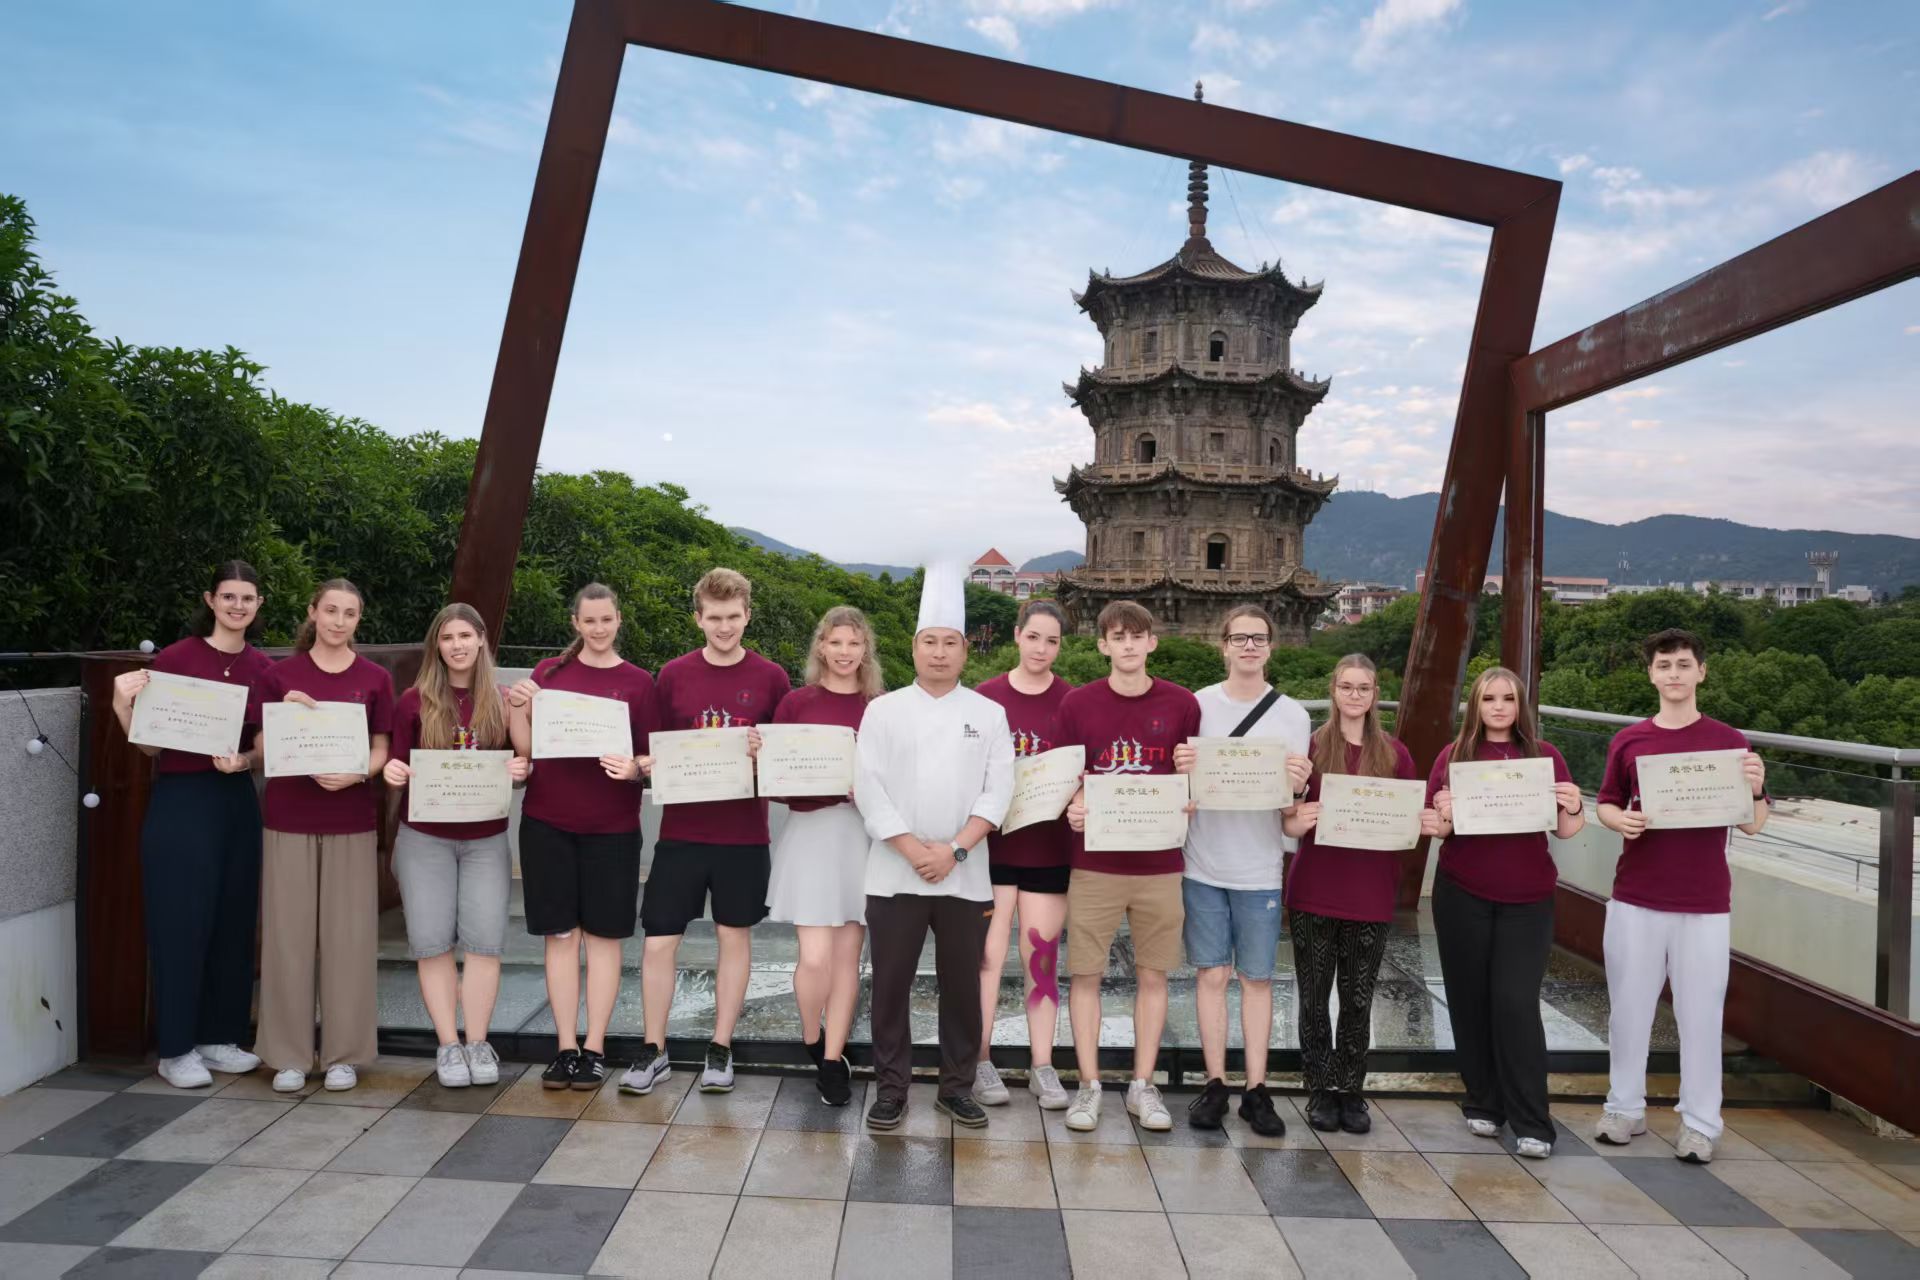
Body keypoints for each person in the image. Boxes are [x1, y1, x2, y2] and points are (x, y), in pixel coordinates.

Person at [1592, 628, 1768, 1164]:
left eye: (1683, 664)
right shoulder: (1629, 741)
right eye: (1664, 665)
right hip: (1636, 895)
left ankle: (1700, 1123)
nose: (1674, 674)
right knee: (1629, 1010)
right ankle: (1624, 1107)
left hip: (1705, 901)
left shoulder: (1730, 741)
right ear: (1651, 674)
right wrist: (1619, 820)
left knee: (1701, 1015)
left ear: (1701, 672)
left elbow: (1754, 823)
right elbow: (1606, 803)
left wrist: (1758, 787)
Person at [855, 563, 1013, 1131]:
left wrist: (954, 851)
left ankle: (956, 1088)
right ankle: (891, 1089)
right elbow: (867, 787)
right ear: (913, 647)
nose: (939, 653)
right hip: (893, 872)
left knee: (962, 988)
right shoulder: (882, 709)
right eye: (930, 642)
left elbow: (999, 792)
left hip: (964, 874)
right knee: (889, 986)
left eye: (950, 643)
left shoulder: (989, 714)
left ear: (966, 650)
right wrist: (912, 849)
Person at [109, 560, 275, 1089]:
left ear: (258, 604)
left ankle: (219, 1038)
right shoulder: (176, 659)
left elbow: (265, 744)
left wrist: (246, 761)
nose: (237, 606)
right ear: (211, 600)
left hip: (236, 800)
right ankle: (176, 1049)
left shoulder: (263, 668)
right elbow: (150, 746)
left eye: (247, 598)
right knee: (180, 922)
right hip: (182, 801)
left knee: (233, 919)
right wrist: (121, 706)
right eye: (228, 596)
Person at [634, 568, 790, 1095]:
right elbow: (651, 748)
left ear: (748, 615)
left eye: (733, 617)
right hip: (681, 832)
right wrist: (648, 763)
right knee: (660, 941)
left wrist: (764, 752)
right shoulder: (673, 674)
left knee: (734, 938)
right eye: (715, 617)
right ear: (698, 618)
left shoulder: (772, 677)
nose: (725, 627)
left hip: (743, 835)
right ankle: (652, 1048)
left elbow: (783, 757)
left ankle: (720, 1047)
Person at [1425, 665, 1585, 1158]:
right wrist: (1442, 813)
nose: (1499, 707)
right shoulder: (1454, 756)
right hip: (1462, 894)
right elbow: (1435, 828)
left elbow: (1566, 830)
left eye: (1508, 699)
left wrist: (1574, 804)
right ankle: (1484, 1102)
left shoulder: (1544, 756)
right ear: (1475, 705)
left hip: (1528, 899)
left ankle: (1532, 1120)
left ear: (1521, 706)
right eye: (1489, 698)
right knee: (1468, 1000)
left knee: (1516, 1003)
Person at [247, 578, 395, 1093]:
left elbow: (381, 749)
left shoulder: (375, 678)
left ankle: (344, 1055)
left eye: (349, 613)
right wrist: (289, 718)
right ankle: (287, 1054)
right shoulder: (278, 676)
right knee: (287, 938)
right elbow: (262, 746)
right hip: (288, 817)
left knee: (349, 939)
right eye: (330, 610)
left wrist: (357, 774)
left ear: (358, 620)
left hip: (351, 819)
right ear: (313, 612)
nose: (338, 621)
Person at [1060, 601, 1203, 1133]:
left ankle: (1144, 1084)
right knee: (1085, 975)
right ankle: (1089, 1085)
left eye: (1136, 636)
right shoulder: (1077, 704)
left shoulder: (1183, 704)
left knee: (1154, 973)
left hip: (1160, 863)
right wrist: (1073, 806)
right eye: (1117, 637)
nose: (1127, 645)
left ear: (1151, 643)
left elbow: (1192, 780)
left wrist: (1193, 793)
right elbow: (1067, 777)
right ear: (1102, 644)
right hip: (1094, 862)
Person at [1282, 654, 1439, 1134]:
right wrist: (1296, 812)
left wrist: (1424, 819)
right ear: (1333, 690)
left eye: (1363, 688)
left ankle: (1351, 1089)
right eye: (1346, 686)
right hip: (1314, 888)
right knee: (1313, 998)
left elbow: (1411, 819)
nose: (1354, 695)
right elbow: (1287, 819)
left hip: (1370, 891)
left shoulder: (1395, 754)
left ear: (1375, 695)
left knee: (1357, 997)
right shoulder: (1309, 747)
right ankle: (1318, 1088)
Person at [506, 584, 653, 1092]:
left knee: (604, 940)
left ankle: (594, 1048)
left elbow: (649, 756)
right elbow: (527, 751)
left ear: (618, 620)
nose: (598, 628)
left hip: (613, 828)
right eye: (589, 621)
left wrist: (635, 769)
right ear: (575, 623)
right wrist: (518, 708)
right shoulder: (548, 674)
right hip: (547, 823)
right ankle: (565, 1047)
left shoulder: (639, 682)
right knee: (561, 937)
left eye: (606, 619)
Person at [1171, 605, 1312, 1135]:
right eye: (1239, 638)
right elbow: (1179, 784)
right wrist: (1182, 770)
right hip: (1203, 861)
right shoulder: (1197, 705)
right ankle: (1215, 1083)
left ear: (1271, 646)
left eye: (1258, 638)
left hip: (1260, 865)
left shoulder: (1293, 716)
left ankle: (1257, 1088)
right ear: (1224, 646)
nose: (1249, 646)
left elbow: (1292, 804)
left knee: (1257, 979)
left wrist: (1299, 784)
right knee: (1211, 974)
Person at [383, 603, 530, 1089]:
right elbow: (396, 764)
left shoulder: (502, 700)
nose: (458, 645)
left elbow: (524, 762)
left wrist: (522, 769)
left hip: (485, 839)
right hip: (425, 838)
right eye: (448, 638)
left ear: (482, 639)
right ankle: (448, 1045)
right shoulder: (414, 701)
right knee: (432, 944)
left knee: (485, 944)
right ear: (437, 646)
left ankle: (478, 1042)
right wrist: (393, 771)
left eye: (466, 635)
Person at [764, 605, 882, 1106]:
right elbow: (775, 783)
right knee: (813, 958)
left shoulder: (881, 707)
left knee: (847, 960)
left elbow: (896, 777)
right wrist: (763, 755)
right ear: (821, 646)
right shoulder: (796, 702)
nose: (844, 652)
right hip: (811, 834)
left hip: (861, 836)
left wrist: (869, 791)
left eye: (853, 643)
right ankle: (812, 1036)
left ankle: (833, 1060)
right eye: (836, 642)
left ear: (865, 649)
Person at [971, 600, 1075, 1111]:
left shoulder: (1073, 702)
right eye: (1033, 637)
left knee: (1042, 959)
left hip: (1049, 849)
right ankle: (980, 1059)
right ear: (1017, 636)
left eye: (1052, 641)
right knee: (986, 959)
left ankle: (1042, 1065)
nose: (1041, 648)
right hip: (991, 848)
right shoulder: (985, 699)